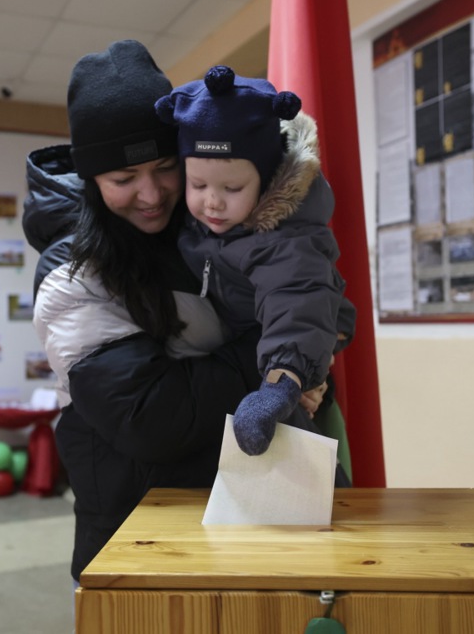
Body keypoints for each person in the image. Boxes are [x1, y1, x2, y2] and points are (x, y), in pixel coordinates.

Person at [21, 41, 327, 585]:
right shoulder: (70, 270)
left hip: (251, 508)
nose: (152, 194)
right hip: (135, 534)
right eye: (122, 179)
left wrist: (314, 336)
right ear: (91, 181)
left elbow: (302, 292)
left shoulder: (206, 228)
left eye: (166, 167)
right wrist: (279, 375)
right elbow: (150, 416)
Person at [155, 65, 357, 457]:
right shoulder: (199, 221)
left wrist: (283, 383)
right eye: (197, 185)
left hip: (301, 343)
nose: (211, 201)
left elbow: (295, 298)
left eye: (232, 188)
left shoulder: (285, 235)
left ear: (265, 181)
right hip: (251, 347)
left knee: (303, 458)